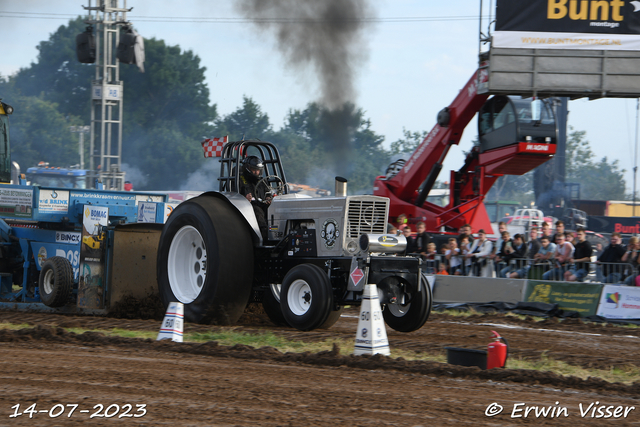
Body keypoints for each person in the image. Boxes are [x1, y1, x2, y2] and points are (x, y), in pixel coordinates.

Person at [239, 155, 272, 241]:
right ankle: (264, 240)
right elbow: (233, 195)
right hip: (248, 207)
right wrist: (244, 199)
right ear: (248, 168)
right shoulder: (240, 180)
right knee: (258, 212)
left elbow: (268, 192)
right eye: (254, 169)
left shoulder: (263, 181)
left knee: (274, 209)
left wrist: (269, 197)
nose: (256, 172)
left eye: (258, 170)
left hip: (264, 204)